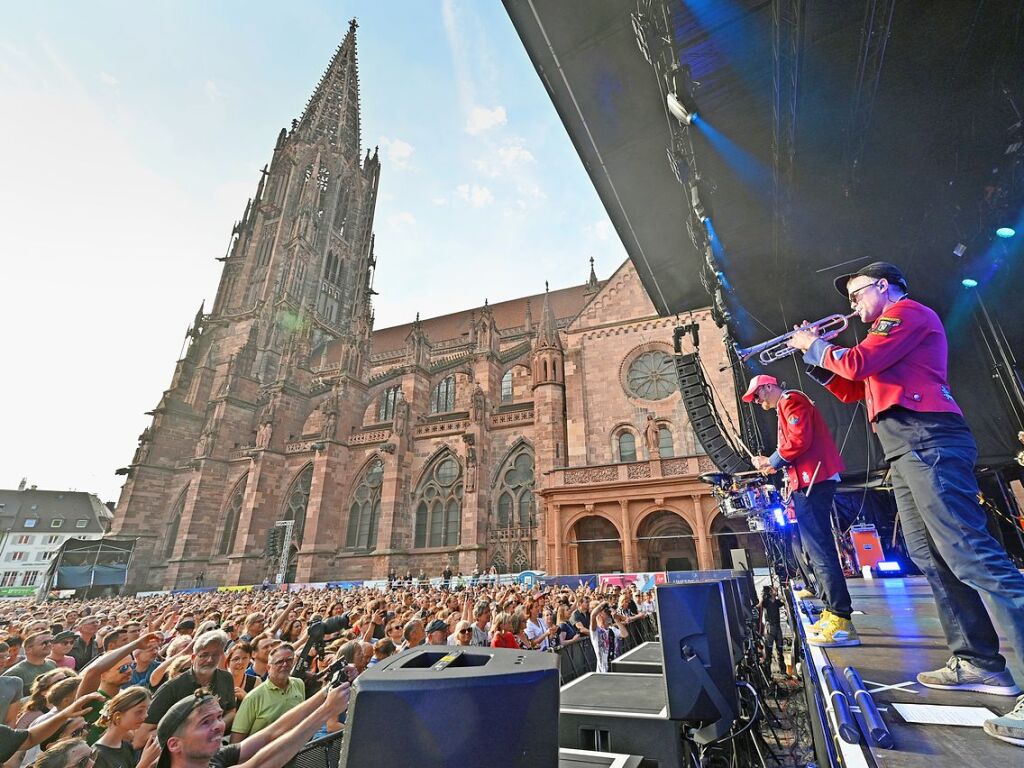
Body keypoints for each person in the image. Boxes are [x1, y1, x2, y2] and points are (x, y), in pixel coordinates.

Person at [788, 260, 1024, 746]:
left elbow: (856, 364)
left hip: (927, 438)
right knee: (931, 557)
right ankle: (978, 662)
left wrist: (817, 345)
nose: (850, 305)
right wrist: (816, 359)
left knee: (970, 555)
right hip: (904, 447)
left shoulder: (906, 313)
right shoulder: (882, 334)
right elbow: (855, 387)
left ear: (881, 286)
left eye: (855, 294)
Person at [746, 375, 858, 647]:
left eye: (758, 396)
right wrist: (773, 463)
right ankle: (833, 610)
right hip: (808, 480)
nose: (758, 403)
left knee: (820, 549)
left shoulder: (791, 400)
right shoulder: (784, 406)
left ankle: (841, 618)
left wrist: (772, 461)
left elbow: (798, 441)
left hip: (814, 479)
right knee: (815, 547)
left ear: (767, 387)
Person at [154, 681, 349, 768]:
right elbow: (263, 763)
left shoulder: (209, 760)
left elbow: (271, 733)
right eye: (205, 722)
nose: (219, 726)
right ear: (174, 744)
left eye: (219, 717)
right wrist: (326, 711)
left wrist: (325, 692)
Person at [137, 631, 236, 746]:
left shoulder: (226, 678)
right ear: (193, 658)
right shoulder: (171, 688)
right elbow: (141, 738)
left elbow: (231, 711)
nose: (210, 660)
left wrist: (215, 726)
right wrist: (189, 733)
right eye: (204, 655)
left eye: (215, 655)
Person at [230, 644, 304, 742]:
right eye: (280, 662)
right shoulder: (254, 697)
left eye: (289, 660)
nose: (285, 665)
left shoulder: (299, 684)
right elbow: (236, 740)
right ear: (269, 667)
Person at [92, 686, 152, 768]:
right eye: (139, 711)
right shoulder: (98, 755)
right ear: (118, 716)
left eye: (146, 710)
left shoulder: (127, 747)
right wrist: (145, 763)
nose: (146, 715)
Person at [759, 586, 786, 676]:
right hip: (770, 627)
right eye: (774, 590)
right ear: (770, 592)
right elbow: (759, 605)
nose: (776, 591)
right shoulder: (766, 602)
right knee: (769, 651)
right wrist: (763, 596)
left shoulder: (777, 602)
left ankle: (783, 671)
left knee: (780, 650)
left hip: (777, 627)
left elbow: (785, 601)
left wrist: (778, 594)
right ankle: (768, 674)